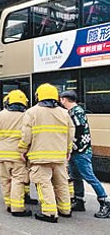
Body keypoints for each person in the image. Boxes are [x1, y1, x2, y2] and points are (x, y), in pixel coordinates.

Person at [18, 83, 74, 223]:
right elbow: (70, 134)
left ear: (38, 96)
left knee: (44, 183)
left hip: (40, 156)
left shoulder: (32, 112)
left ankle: (49, 213)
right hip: (59, 156)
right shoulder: (64, 113)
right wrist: (68, 150)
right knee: (61, 183)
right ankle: (65, 209)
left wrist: (23, 150)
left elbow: (26, 135)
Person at [59, 90, 110, 218]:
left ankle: (105, 202)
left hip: (81, 151)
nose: (60, 101)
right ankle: (79, 200)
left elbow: (78, 132)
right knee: (76, 176)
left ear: (65, 99)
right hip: (77, 150)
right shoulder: (75, 112)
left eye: (61, 99)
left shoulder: (76, 112)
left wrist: (71, 147)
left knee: (89, 177)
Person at [0, 90, 32, 217]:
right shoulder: (27, 116)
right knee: (18, 180)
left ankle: (9, 204)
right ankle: (17, 208)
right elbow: (29, 134)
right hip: (18, 154)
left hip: (2, 153)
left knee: (5, 180)